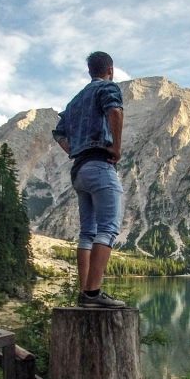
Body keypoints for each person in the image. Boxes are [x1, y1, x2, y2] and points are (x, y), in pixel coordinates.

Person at [52, 51, 127, 308]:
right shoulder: (107, 87)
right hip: (99, 165)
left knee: (87, 233)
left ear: (89, 71)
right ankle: (93, 294)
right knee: (108, 228)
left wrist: (73, 150)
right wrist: (116, 148)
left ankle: (84, 292)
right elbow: (115, 112)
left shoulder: (74, 102)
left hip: (79, 170)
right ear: (111, 69)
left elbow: (59, 132)